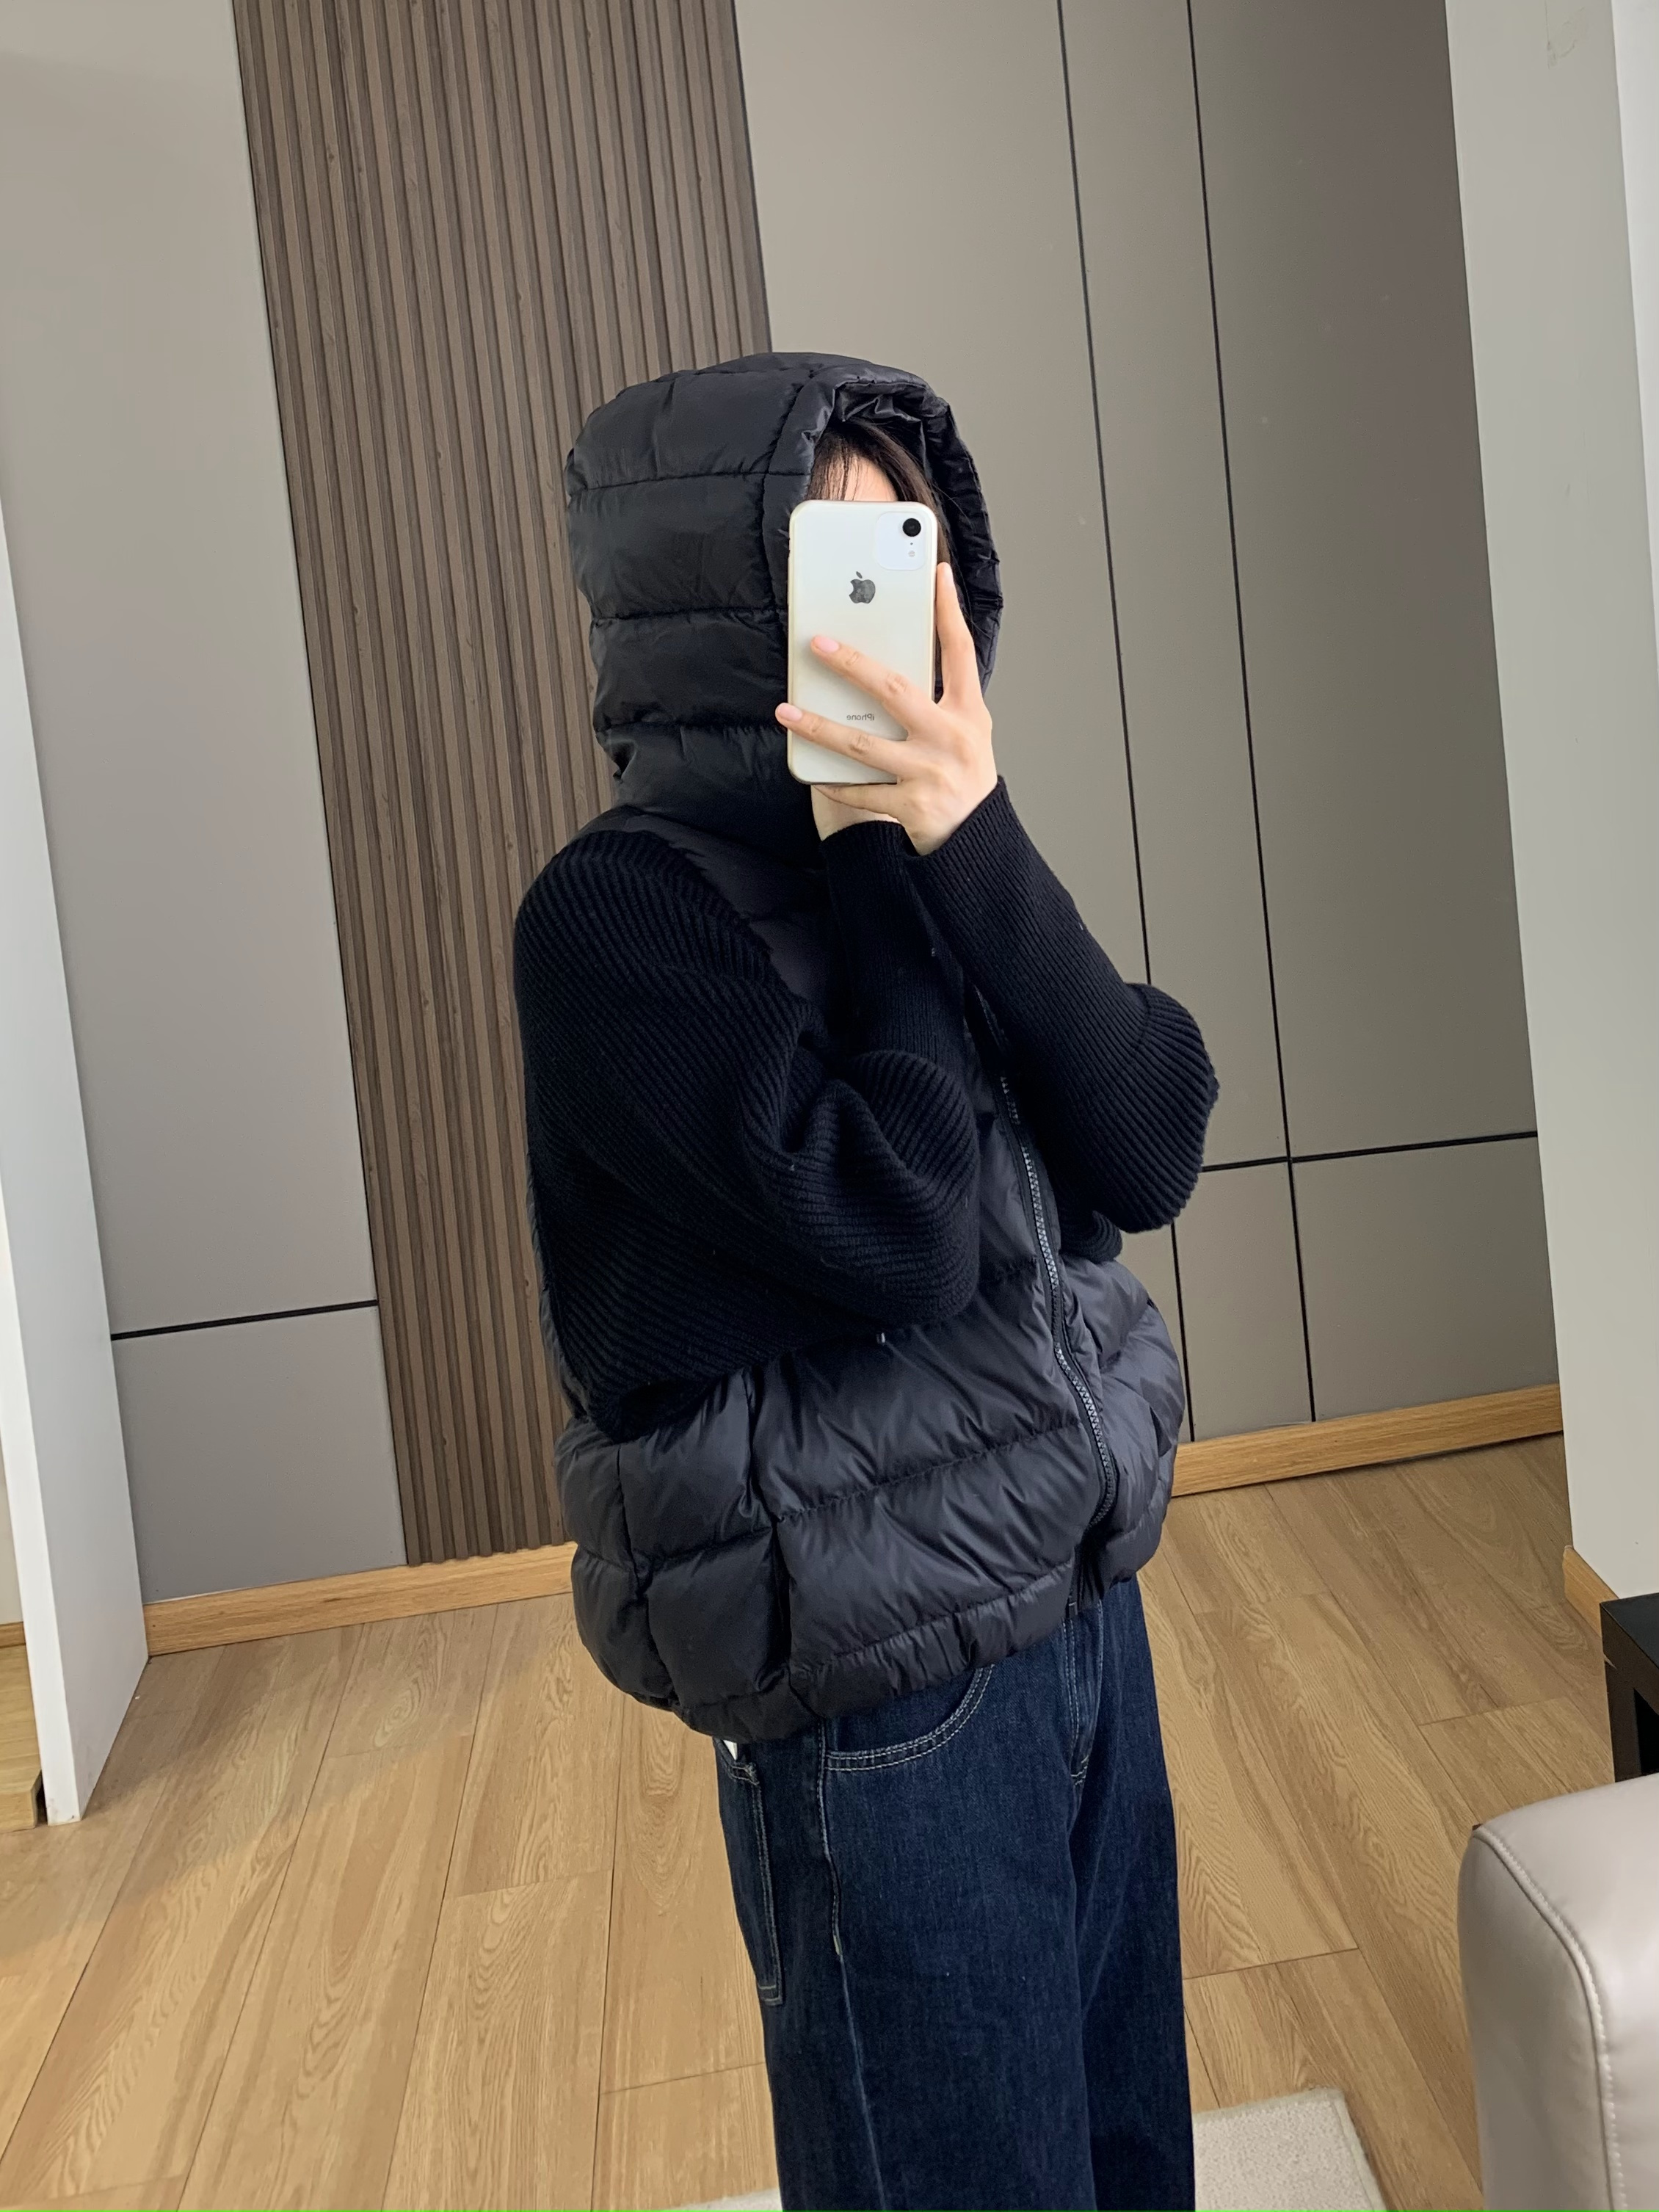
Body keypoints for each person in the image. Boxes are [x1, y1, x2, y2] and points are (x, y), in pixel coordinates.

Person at [514, 354, 1217, 2212]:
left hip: (1076, 1605)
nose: (890, 611)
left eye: (909, 552)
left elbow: (1146, 1140)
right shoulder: (613, 917)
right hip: (878, 1684)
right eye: (835, 563)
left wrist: (973, 841)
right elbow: (898, 1224)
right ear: (711, 606)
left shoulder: (934, 845)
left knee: (1131, 2159)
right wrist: (878, 874)